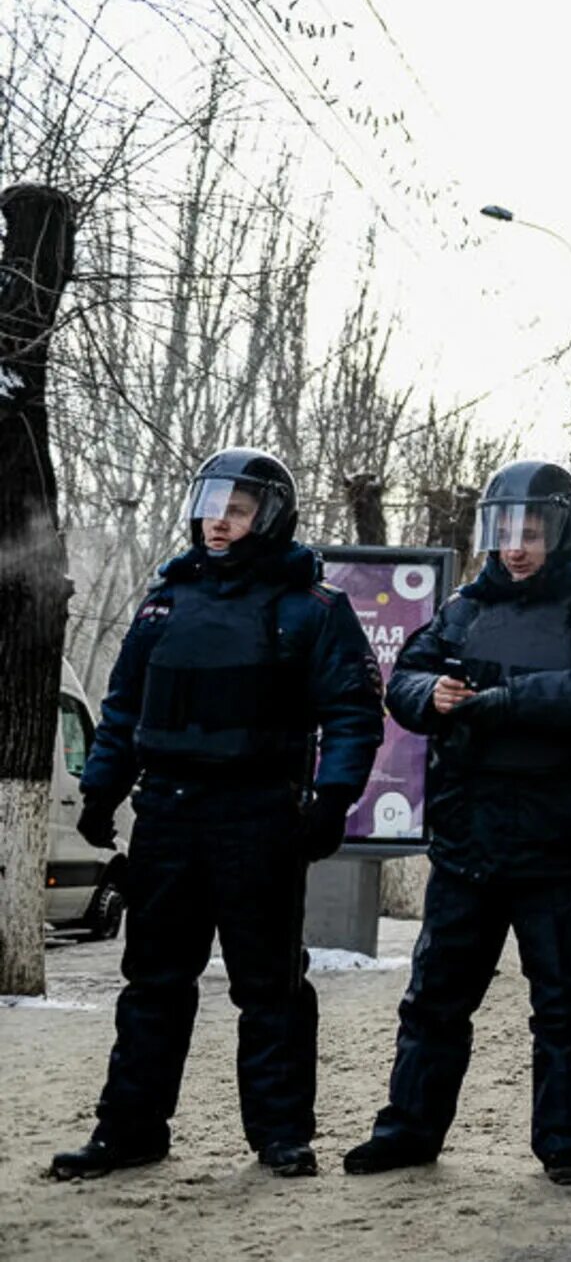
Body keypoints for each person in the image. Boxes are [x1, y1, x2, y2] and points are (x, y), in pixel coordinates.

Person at [50, 448, 383, 1180]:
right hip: (167, 814)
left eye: (235, 510)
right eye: (210, 506)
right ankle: (129, 1131)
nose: (217, 523)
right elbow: (125, 706)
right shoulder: (165, 601)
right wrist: (103, 789)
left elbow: (354, 713)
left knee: (268, 986)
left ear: (269, 517)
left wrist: (332, 801)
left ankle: (280, 1136)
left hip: (260, 817)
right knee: (153, 983)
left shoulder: (313, 608)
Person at [343, 460, 571, 1186]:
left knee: (567, 1005)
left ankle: (567, 1142)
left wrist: (507, 700)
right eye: (505, 530)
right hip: (467, 837)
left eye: (533, 532)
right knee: (435, 999)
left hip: (562, 841)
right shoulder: (464, 608)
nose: (516, 547)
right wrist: (435, 695)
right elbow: (406, 678)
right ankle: (409, 1130)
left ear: (562, 530)